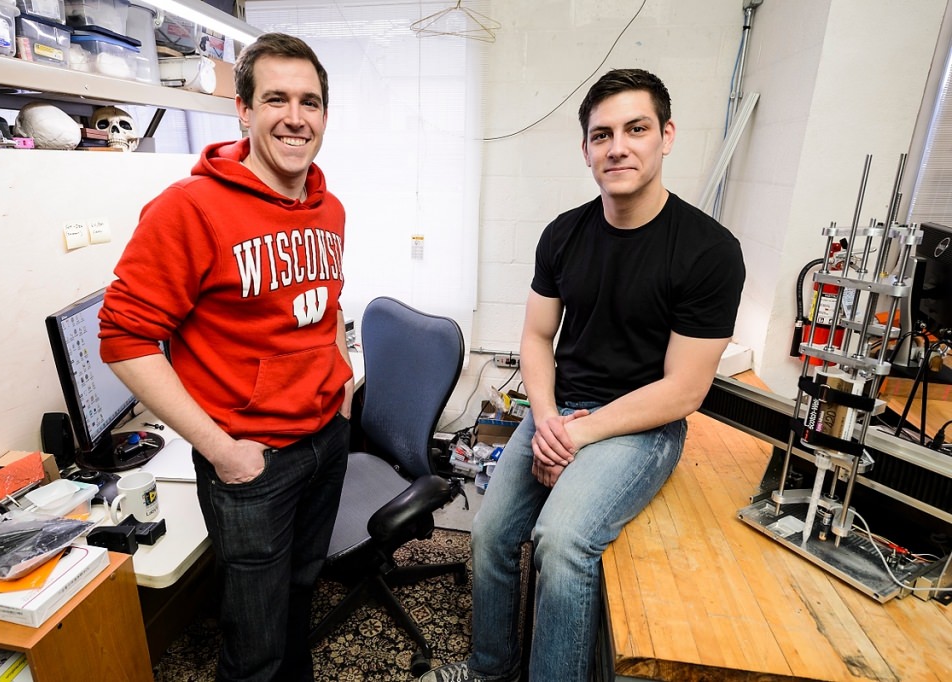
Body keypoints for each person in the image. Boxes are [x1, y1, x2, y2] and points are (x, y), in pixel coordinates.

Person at [420, 68, 745, 682]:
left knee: (562, 542)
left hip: (643, 426)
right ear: (586, 149)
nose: (617, 146)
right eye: (602, 135)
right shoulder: (564, 234)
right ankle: (490, 670)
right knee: (490, 532)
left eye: (636, 129)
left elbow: (684, 389)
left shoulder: (709, 252)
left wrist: (575, 436)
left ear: (666, 136)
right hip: (559, 411)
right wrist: (546, 419)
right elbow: (537, 339)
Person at [98, 33, 353, 682]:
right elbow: (124, 339)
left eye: (310, 102)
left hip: (326, 441)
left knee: (300, 595)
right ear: (242, 111)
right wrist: (220, 448)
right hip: (255, 465)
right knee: (254, 643)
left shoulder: (330, 208)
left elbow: (325, 307)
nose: (296, 117)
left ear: (324, 115)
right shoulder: (189, 209)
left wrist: (341, 377)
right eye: (276, 99)